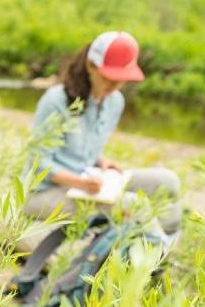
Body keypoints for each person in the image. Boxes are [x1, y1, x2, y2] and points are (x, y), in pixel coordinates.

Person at [23, 31, 182, 242]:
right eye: (110, 77)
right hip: (46, 193)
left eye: (122, 79)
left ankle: (165, 240)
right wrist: (79, 182)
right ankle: (156, 253)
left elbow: (85, 151)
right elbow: (38, 162)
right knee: (131, 202)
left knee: (167, 181)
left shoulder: (115, 101)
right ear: (91, 66)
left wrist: (102, 162)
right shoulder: (56, 100)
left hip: (90, 183)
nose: (116, 86)